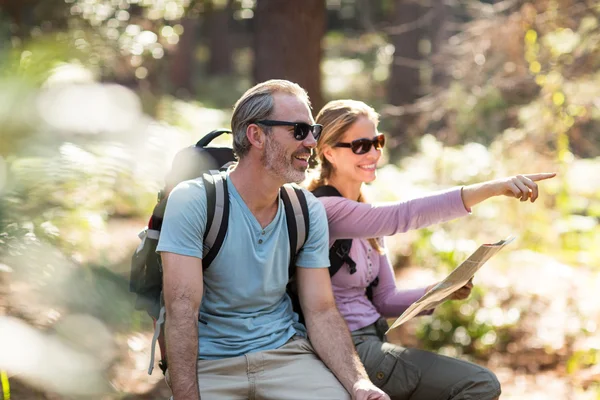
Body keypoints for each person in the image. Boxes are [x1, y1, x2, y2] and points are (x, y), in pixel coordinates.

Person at [308, 99, 556, 400]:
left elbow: (385, 299)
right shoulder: (327, 209)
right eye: (361, 145)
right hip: (350, 351)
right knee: (480, 384)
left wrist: (441, 290)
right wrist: (494, 188)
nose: (374, 152)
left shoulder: (365, 214)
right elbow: (403, 215)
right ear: (329, 152)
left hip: (375, 338)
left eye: (377, 141)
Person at [156, 81, 389, 400]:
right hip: (210, 365)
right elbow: (181, 311)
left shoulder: (306, 211)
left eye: (314, 130)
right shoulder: (194, 202)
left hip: (288, 357)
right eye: (299, 130)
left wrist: (358, 382)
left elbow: (321, 311)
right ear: (256, 136)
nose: (312, 142)